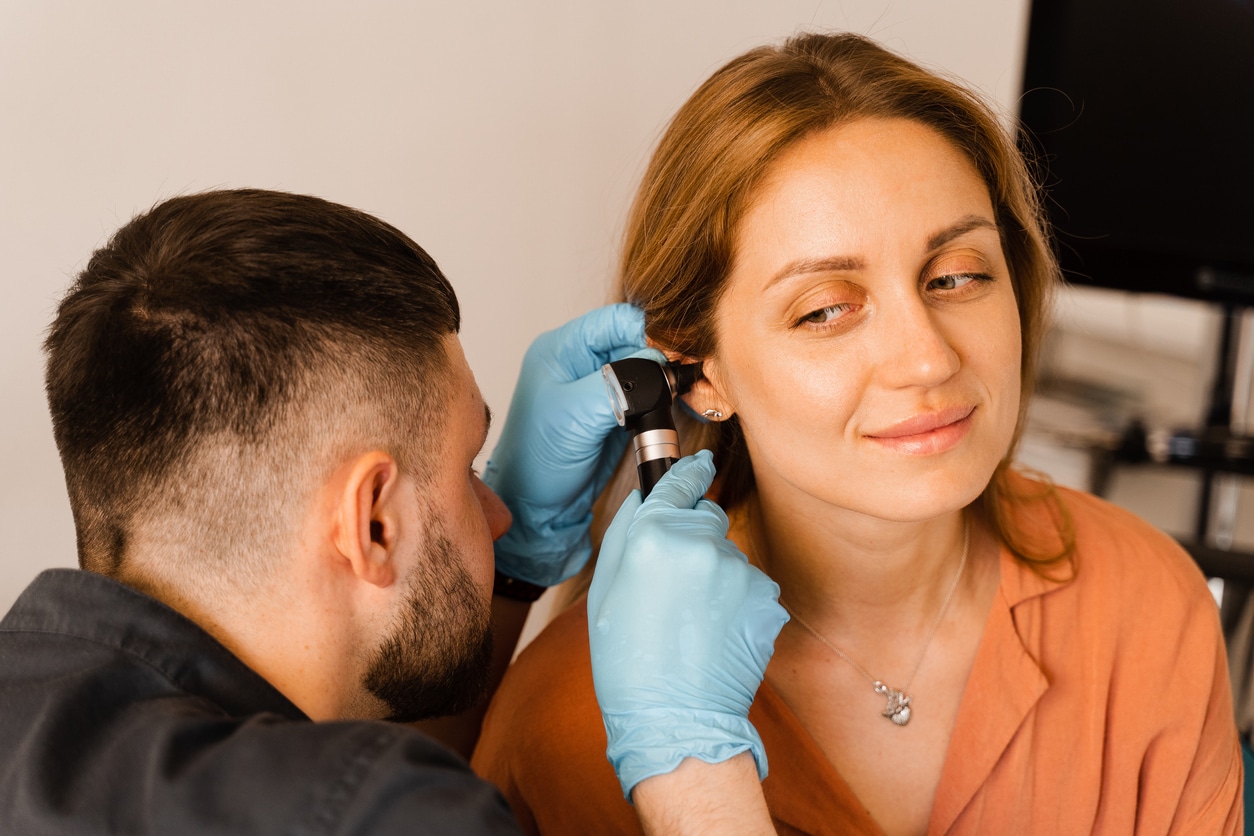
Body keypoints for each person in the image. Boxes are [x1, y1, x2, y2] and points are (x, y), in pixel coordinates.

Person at [471, 32, 1245, 834]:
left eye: (958, 276)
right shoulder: (574, 722)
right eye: (825, 309)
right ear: (701, 373)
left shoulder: (1142, 604)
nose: (927, 359)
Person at [0, 188, 785, 834]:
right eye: (469, 468)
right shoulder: (388, 815)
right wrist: (691, 764)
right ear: (373, 522)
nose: (499, 512)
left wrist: (511, 574)